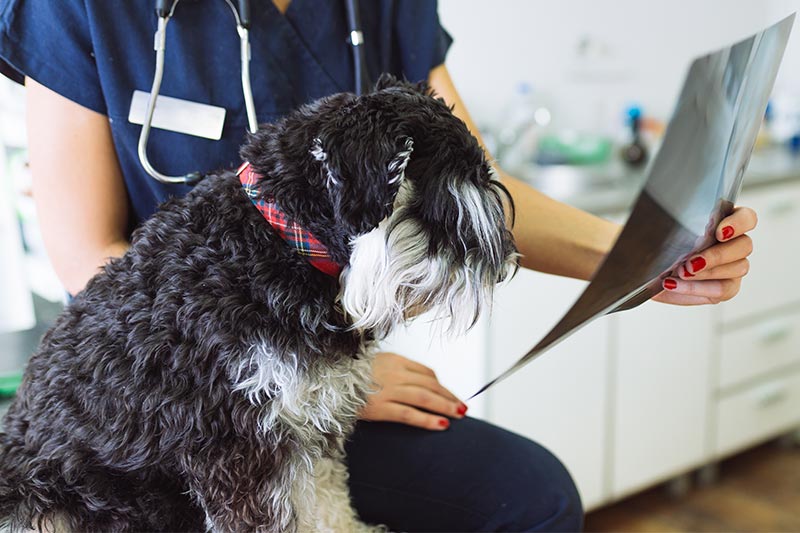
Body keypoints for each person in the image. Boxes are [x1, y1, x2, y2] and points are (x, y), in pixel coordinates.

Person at [0, 1, 755, 531]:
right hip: (156, 399)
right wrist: (316, 375)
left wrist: (646, 254)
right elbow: (85, 252)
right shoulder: (76, 7)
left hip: (318, 377)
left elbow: (468, 183)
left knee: (534, 497)